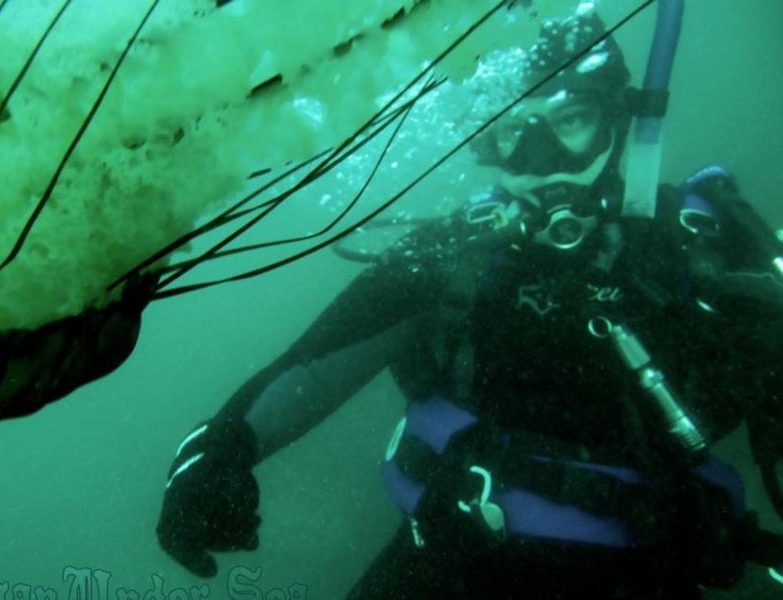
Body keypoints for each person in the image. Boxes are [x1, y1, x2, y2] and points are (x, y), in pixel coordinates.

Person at [156, 9, 783, 598]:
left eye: (569, 122)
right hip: (447, 562)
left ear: (619, 121)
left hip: (646, 577)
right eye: (514, 132)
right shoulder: (454, 257)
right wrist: (221, 452)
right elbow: (315, 362)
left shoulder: (698, 254)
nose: (540, 162)